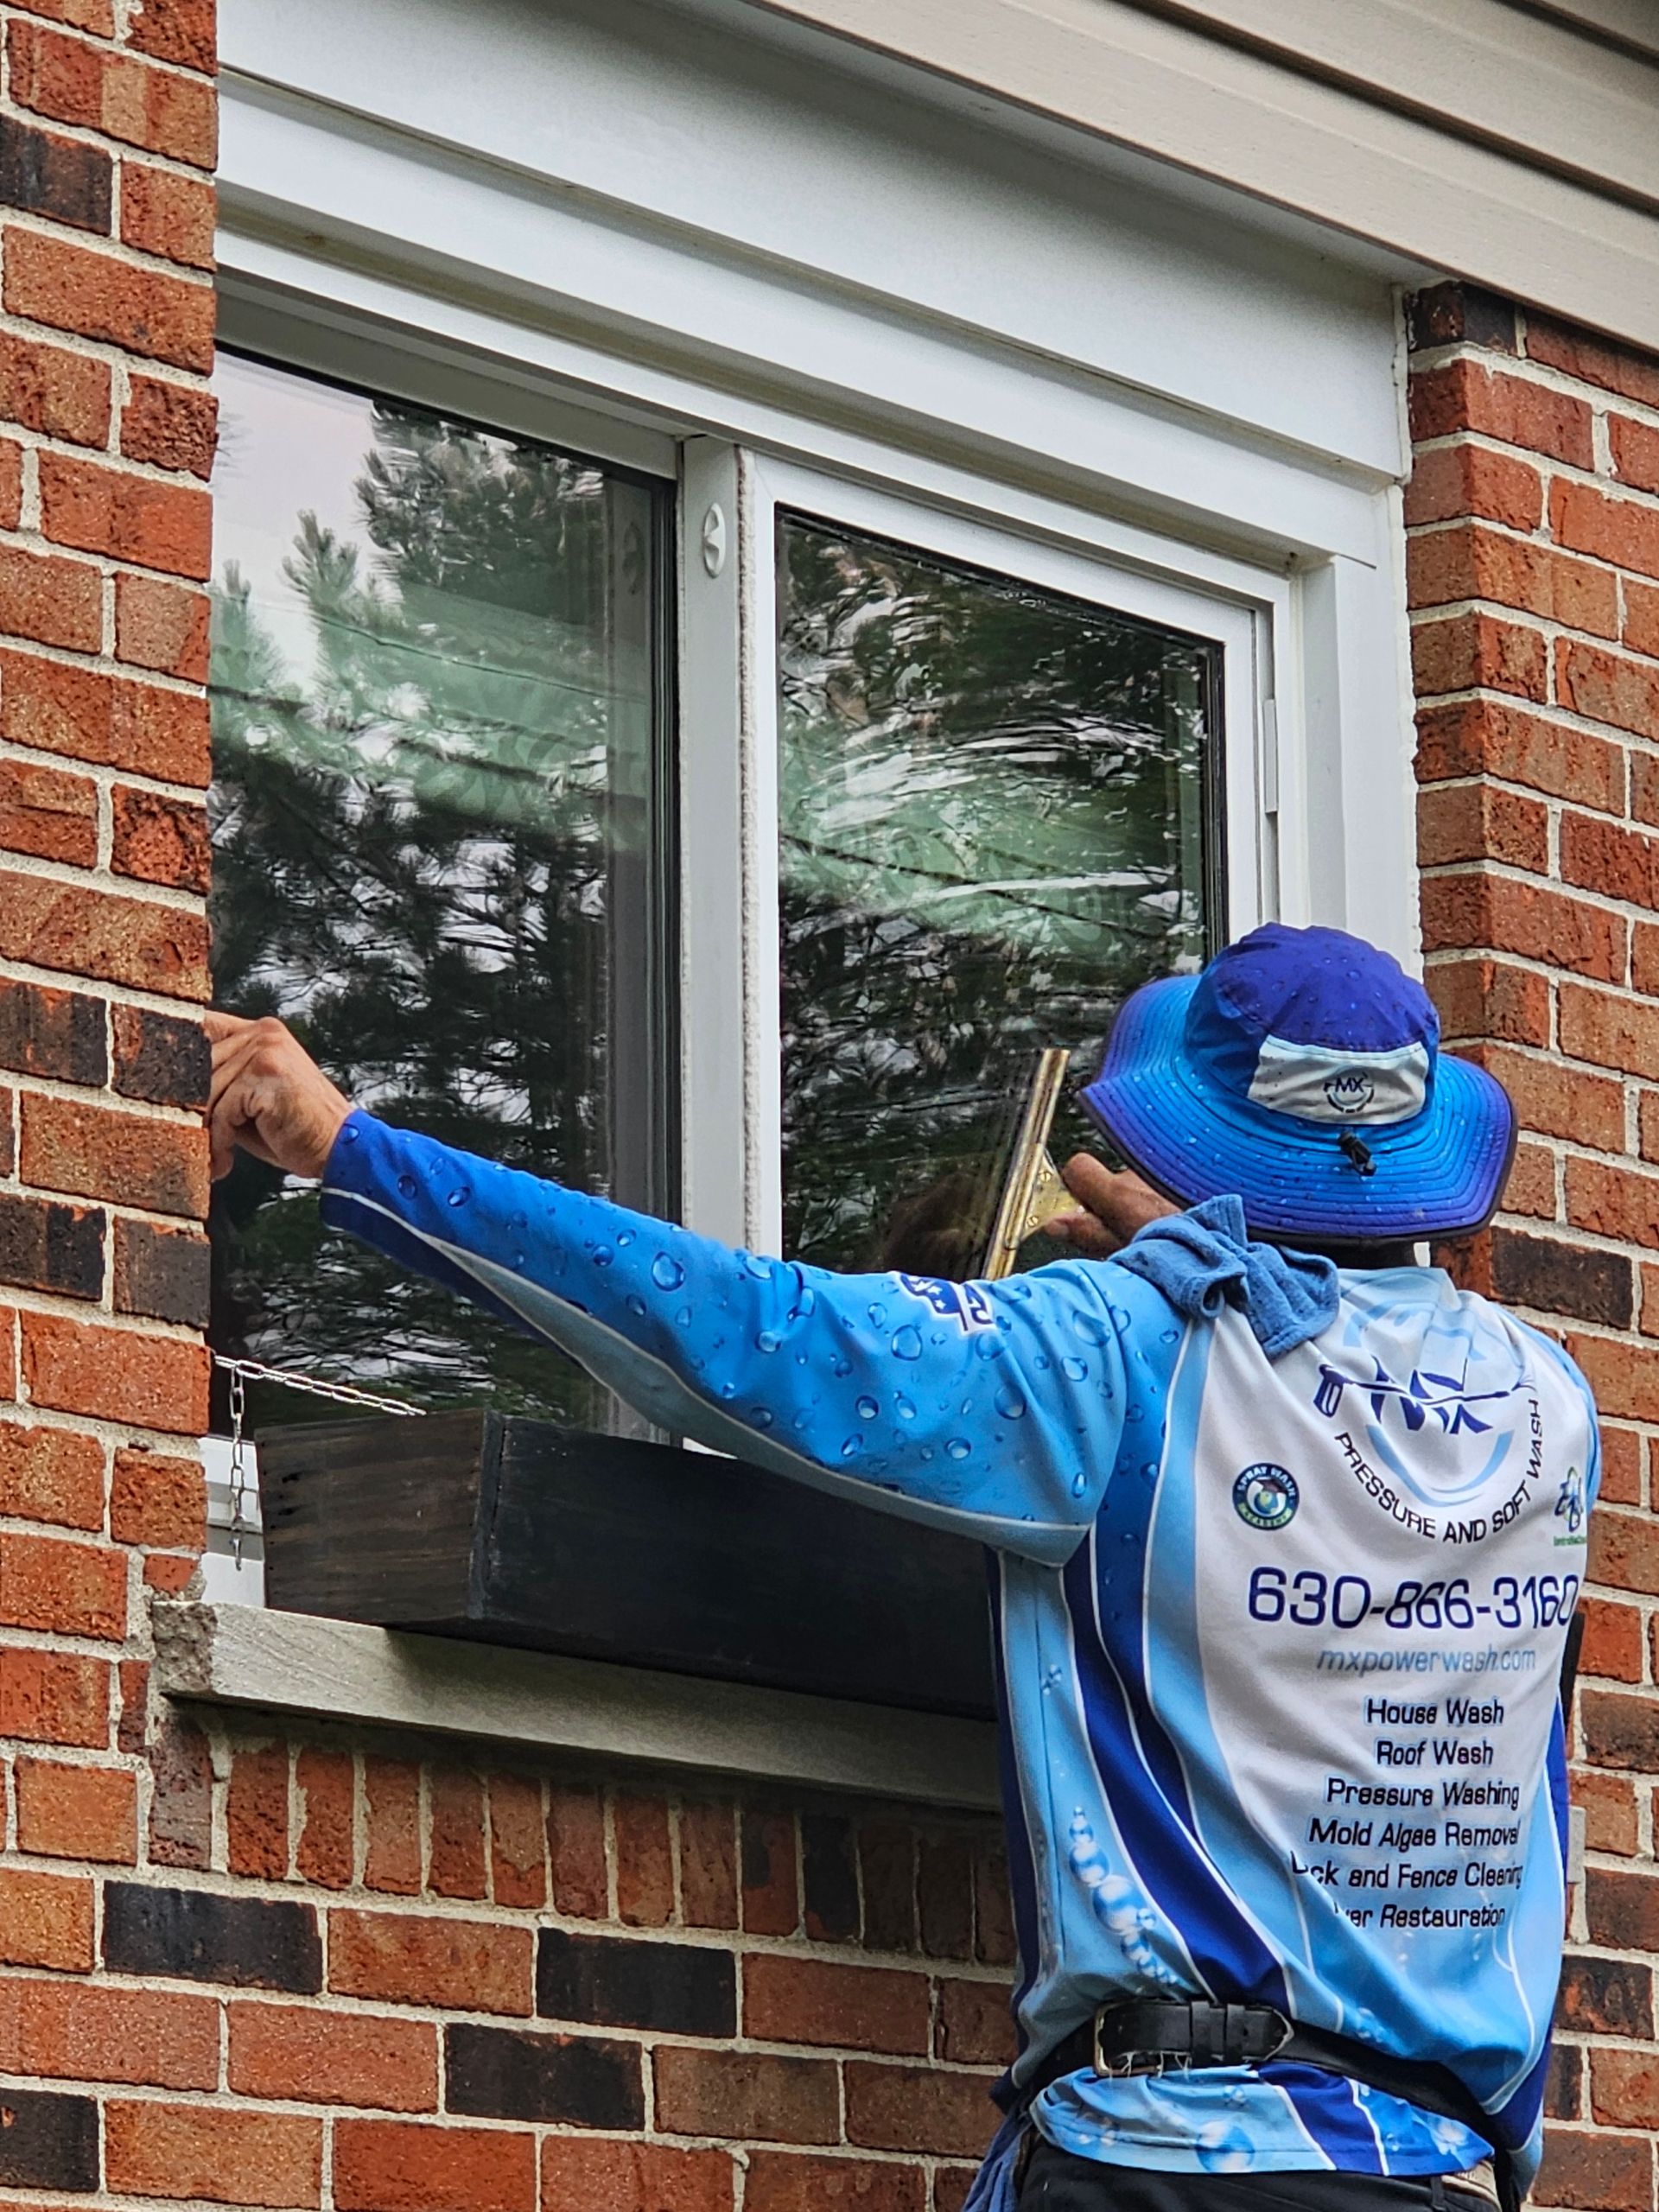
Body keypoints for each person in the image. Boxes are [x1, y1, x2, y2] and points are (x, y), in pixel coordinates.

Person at [207, 923, 1595, 2212]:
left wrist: (353, 1147)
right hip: (1437, 2171)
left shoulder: (1116, 1348)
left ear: (1198, 1137)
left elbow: (752, 1333)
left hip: (1180, 2162)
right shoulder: (1549, 1405)